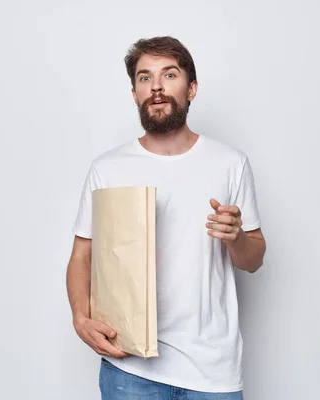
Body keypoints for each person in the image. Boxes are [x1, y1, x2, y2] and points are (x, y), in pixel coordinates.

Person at [66, 36, 266, 399]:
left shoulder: (230, 163)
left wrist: (236, 237)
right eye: (145, 78)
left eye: (169, 74)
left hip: (211, 372)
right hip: (129, 369)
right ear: (134, 94)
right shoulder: (107, 168)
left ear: (191, 89)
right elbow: (82, 254)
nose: (156, 87)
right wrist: (81, 318)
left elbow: (254, 259)